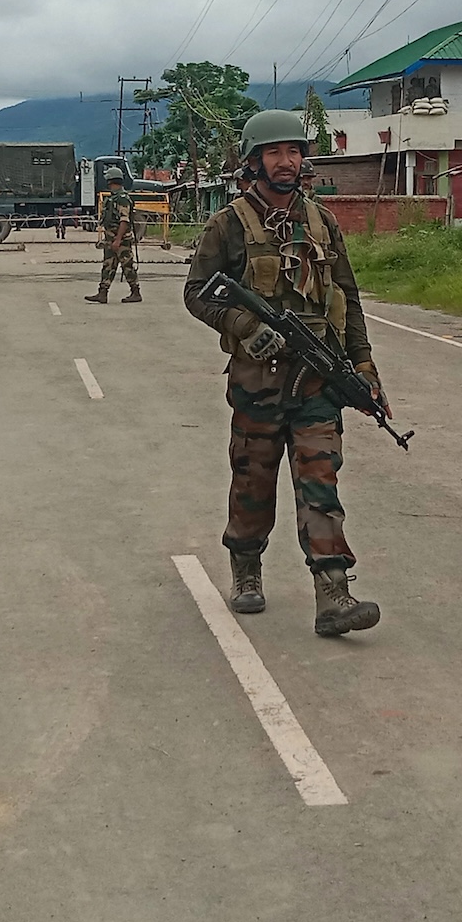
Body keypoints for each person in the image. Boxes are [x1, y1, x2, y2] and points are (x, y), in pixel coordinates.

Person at [183, 109, 387, 637]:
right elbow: (196, 293)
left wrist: (363, 366)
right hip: (258, 383)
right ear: (254, 162)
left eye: (294, 151)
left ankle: (333, 593)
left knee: (321, 481)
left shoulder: (322, 221)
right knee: (253, 482)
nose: (286, 161)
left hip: (317, 382)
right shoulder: (227, 224)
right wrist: (242, 325)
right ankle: (246, 568)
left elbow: (349, 297)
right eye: (274, 152)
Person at [85, 171, 142, 304]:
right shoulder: (113, 198)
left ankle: (136, 292)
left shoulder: (122, 198)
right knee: (108, 266)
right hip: (111, 239)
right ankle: (102, 293)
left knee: (127, 266)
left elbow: (124, 220)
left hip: (121, 240)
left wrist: (118, 240)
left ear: (111, 180)